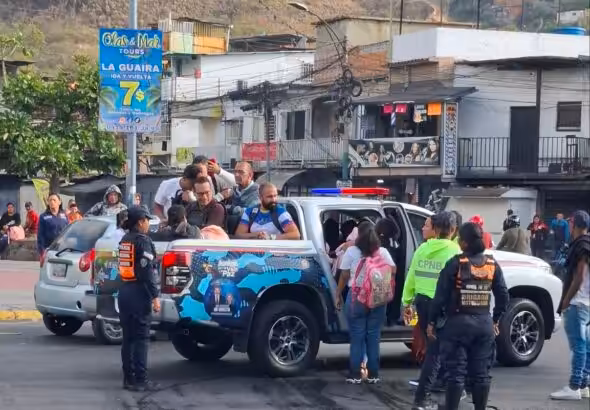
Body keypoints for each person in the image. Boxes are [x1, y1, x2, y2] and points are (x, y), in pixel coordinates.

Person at [429, 222, 509, 410]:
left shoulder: (455, 264)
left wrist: (432, 321)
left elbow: (440, 297)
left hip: (457, 324)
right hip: (484, 325)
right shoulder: (492, 265)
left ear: (464, 243)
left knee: (456, 373)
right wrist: (496, 319)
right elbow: (503, 295)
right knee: (481, 373)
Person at [401, 212, 461, 410]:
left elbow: (411, 276)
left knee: (434, 349)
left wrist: (406, 302)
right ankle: (423, 397)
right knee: (439, 351)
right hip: (443, 306)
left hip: (422, 302)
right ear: (451, 230)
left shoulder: (422, 249)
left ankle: (441, 388)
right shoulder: (454, 250)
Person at [335, 221, 396, 384]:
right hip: (378, 298)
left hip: (357, 298)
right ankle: (373, 374)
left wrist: (337, 294)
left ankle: (355, 374)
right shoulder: (382, 251)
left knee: (357, 336)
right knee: (373, 335)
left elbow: (344, 275)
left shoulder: (351, 252)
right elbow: (393, 269)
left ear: (358, 234)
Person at [117, 206, 160, 392]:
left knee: (128, 338)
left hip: (125, 290)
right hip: (138, 292)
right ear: (141, 221)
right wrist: (155, 296)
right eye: (147, 220)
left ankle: (128, 378)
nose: (148, 224)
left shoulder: (124, 240)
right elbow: (146, 272)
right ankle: (141, 380)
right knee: (141, 338)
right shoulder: (143, 241)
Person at [551, 210, 590, 401]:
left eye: (570, 222)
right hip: (587, 302)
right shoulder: (586, 244)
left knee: (579, 345)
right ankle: (584, 385)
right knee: (585, 343)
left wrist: (566, 301)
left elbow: (579, 277)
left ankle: (574, 386)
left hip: (578, 302)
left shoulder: (581, 245)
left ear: (574, 224)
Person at [234, 183, 300, 240]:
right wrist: (256, 235)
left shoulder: (281, 212)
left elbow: (296, 235)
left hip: (275, 252)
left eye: (275, 196)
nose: (274, 199)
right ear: (260, 197)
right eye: (270, 197)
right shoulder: (249, 212)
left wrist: (270, 237)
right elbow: (239, 235)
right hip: (254, 252)